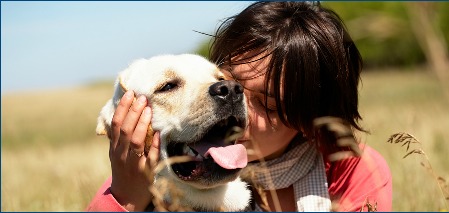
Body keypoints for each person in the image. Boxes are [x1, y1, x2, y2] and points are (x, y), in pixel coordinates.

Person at [86, 1, 392, 212]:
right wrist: (127, 196)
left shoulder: (350, 171)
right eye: (227, 85)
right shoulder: (152, 173)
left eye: (269, 106)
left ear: (311, 122)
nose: (237, 106)